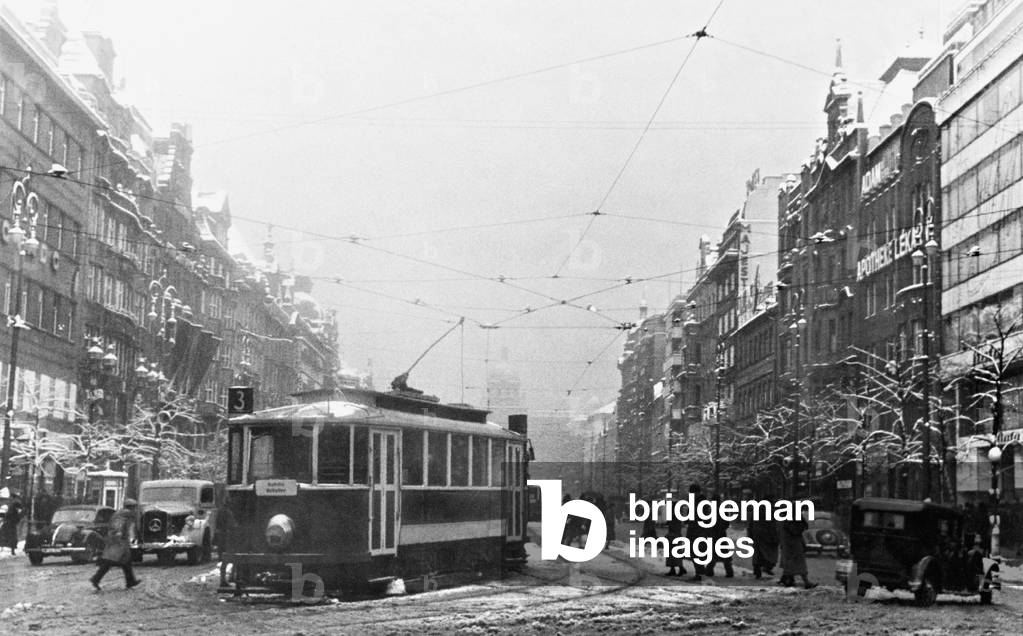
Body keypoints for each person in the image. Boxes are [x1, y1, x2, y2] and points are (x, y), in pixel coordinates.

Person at [90, 499, 141, 591]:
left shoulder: (119, 512)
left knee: (125, 561)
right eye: (134, 507)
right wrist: (119, 533)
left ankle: (131, 581)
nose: (135, 509)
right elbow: (119, 524)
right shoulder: (126, 513)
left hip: (117, 540)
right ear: (131, 507)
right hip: (119, 541)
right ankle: (95, 579)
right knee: (111, 561)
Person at [778, 517, 816, 589]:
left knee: (790, 563)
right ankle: (805, 582)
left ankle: (788, 580)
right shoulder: (791, 519)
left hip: (790, 543)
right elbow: (795, 530)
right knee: (799, 563)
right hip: (793, 543)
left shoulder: (785, 519)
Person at [706, 494, 734, 578]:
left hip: (714, 534)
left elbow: (708, 522)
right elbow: (726, 523)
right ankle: (729, 571)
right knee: (724, 554)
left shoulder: (710, 511)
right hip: (721, 535)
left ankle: (709, 570)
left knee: (713, 554)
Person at [686, 484, 707, 581]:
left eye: (692, 493)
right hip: (694, 530)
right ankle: (700, 572)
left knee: (697, 552)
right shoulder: (695, 502)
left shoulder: (701, 503)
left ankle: (700, 573)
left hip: (699, 531)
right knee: (694, 552)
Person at [747, 514, 779, 580]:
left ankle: (758, 571)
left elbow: (750, 525)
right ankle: (766, 567)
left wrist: (750, 535)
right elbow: (774, 526)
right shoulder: (771, 513)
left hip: (757, 535)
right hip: (767, 537)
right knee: (770, 554)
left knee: (757, 555)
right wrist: (776, 538)